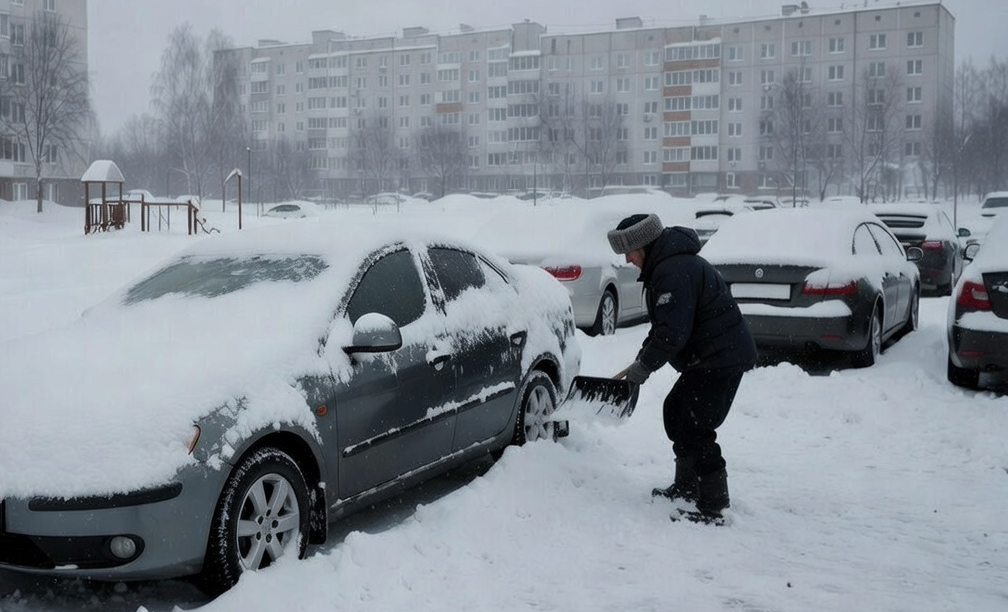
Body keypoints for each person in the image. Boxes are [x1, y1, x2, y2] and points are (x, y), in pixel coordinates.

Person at [607, 213, 757, 523]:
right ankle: (687, 486)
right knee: (676, 412)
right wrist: (642, 359)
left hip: (720, 358)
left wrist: (645, 367)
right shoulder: (668, 266)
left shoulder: (673, 271)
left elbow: (672, 334)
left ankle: (713, 505)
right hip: (709, 356)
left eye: (630, 250)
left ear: (644, 245)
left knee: (696, 427)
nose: (627, 258)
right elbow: (665, 325)